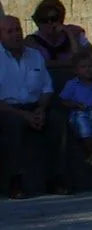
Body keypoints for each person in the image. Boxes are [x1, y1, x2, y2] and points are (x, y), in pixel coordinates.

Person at [0, 14, 68, 198]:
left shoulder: (35, 56)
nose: (15, 35)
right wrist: (23, 116)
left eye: (18, 30)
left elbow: (47, 88)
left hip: (35, 107)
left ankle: (55, 179)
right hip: (8, 110)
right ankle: (16, 182)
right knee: (12, 126)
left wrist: (41, 109)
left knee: (57, 122)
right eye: (9, 31)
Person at [27, 0, 92, 75]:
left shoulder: (74, 32)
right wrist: (66, 63)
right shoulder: (32, 41)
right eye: (43, 20)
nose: (49, 23)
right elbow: (39, 64)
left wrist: (69, 34)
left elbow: (85, 51)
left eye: (53, 19)